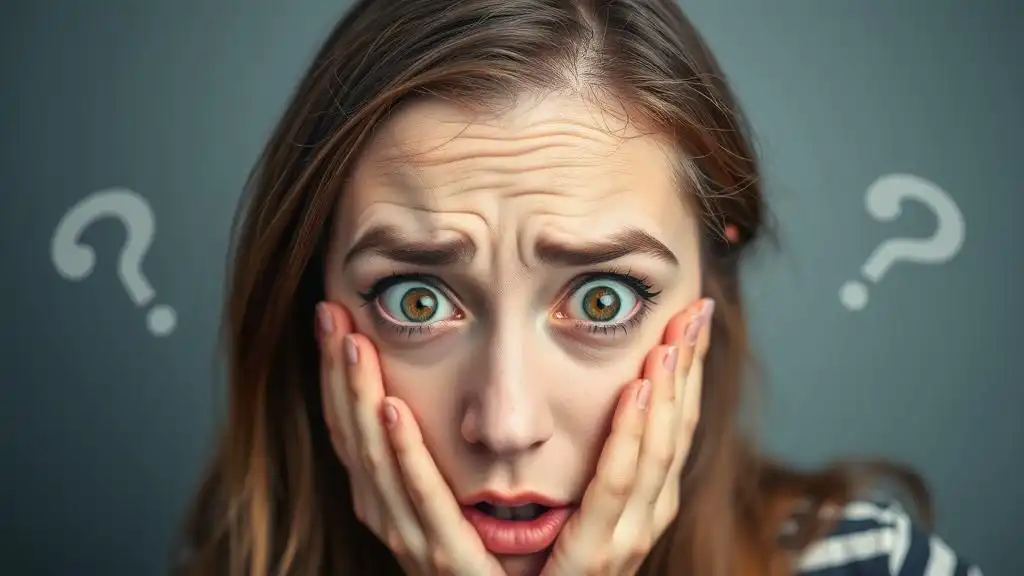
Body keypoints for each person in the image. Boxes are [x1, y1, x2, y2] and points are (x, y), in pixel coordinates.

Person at [177, 1, 983, 575]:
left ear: (712, 280)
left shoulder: (876, 565)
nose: (506, 423)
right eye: (416, 301)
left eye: (604, 299)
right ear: (310, 293)